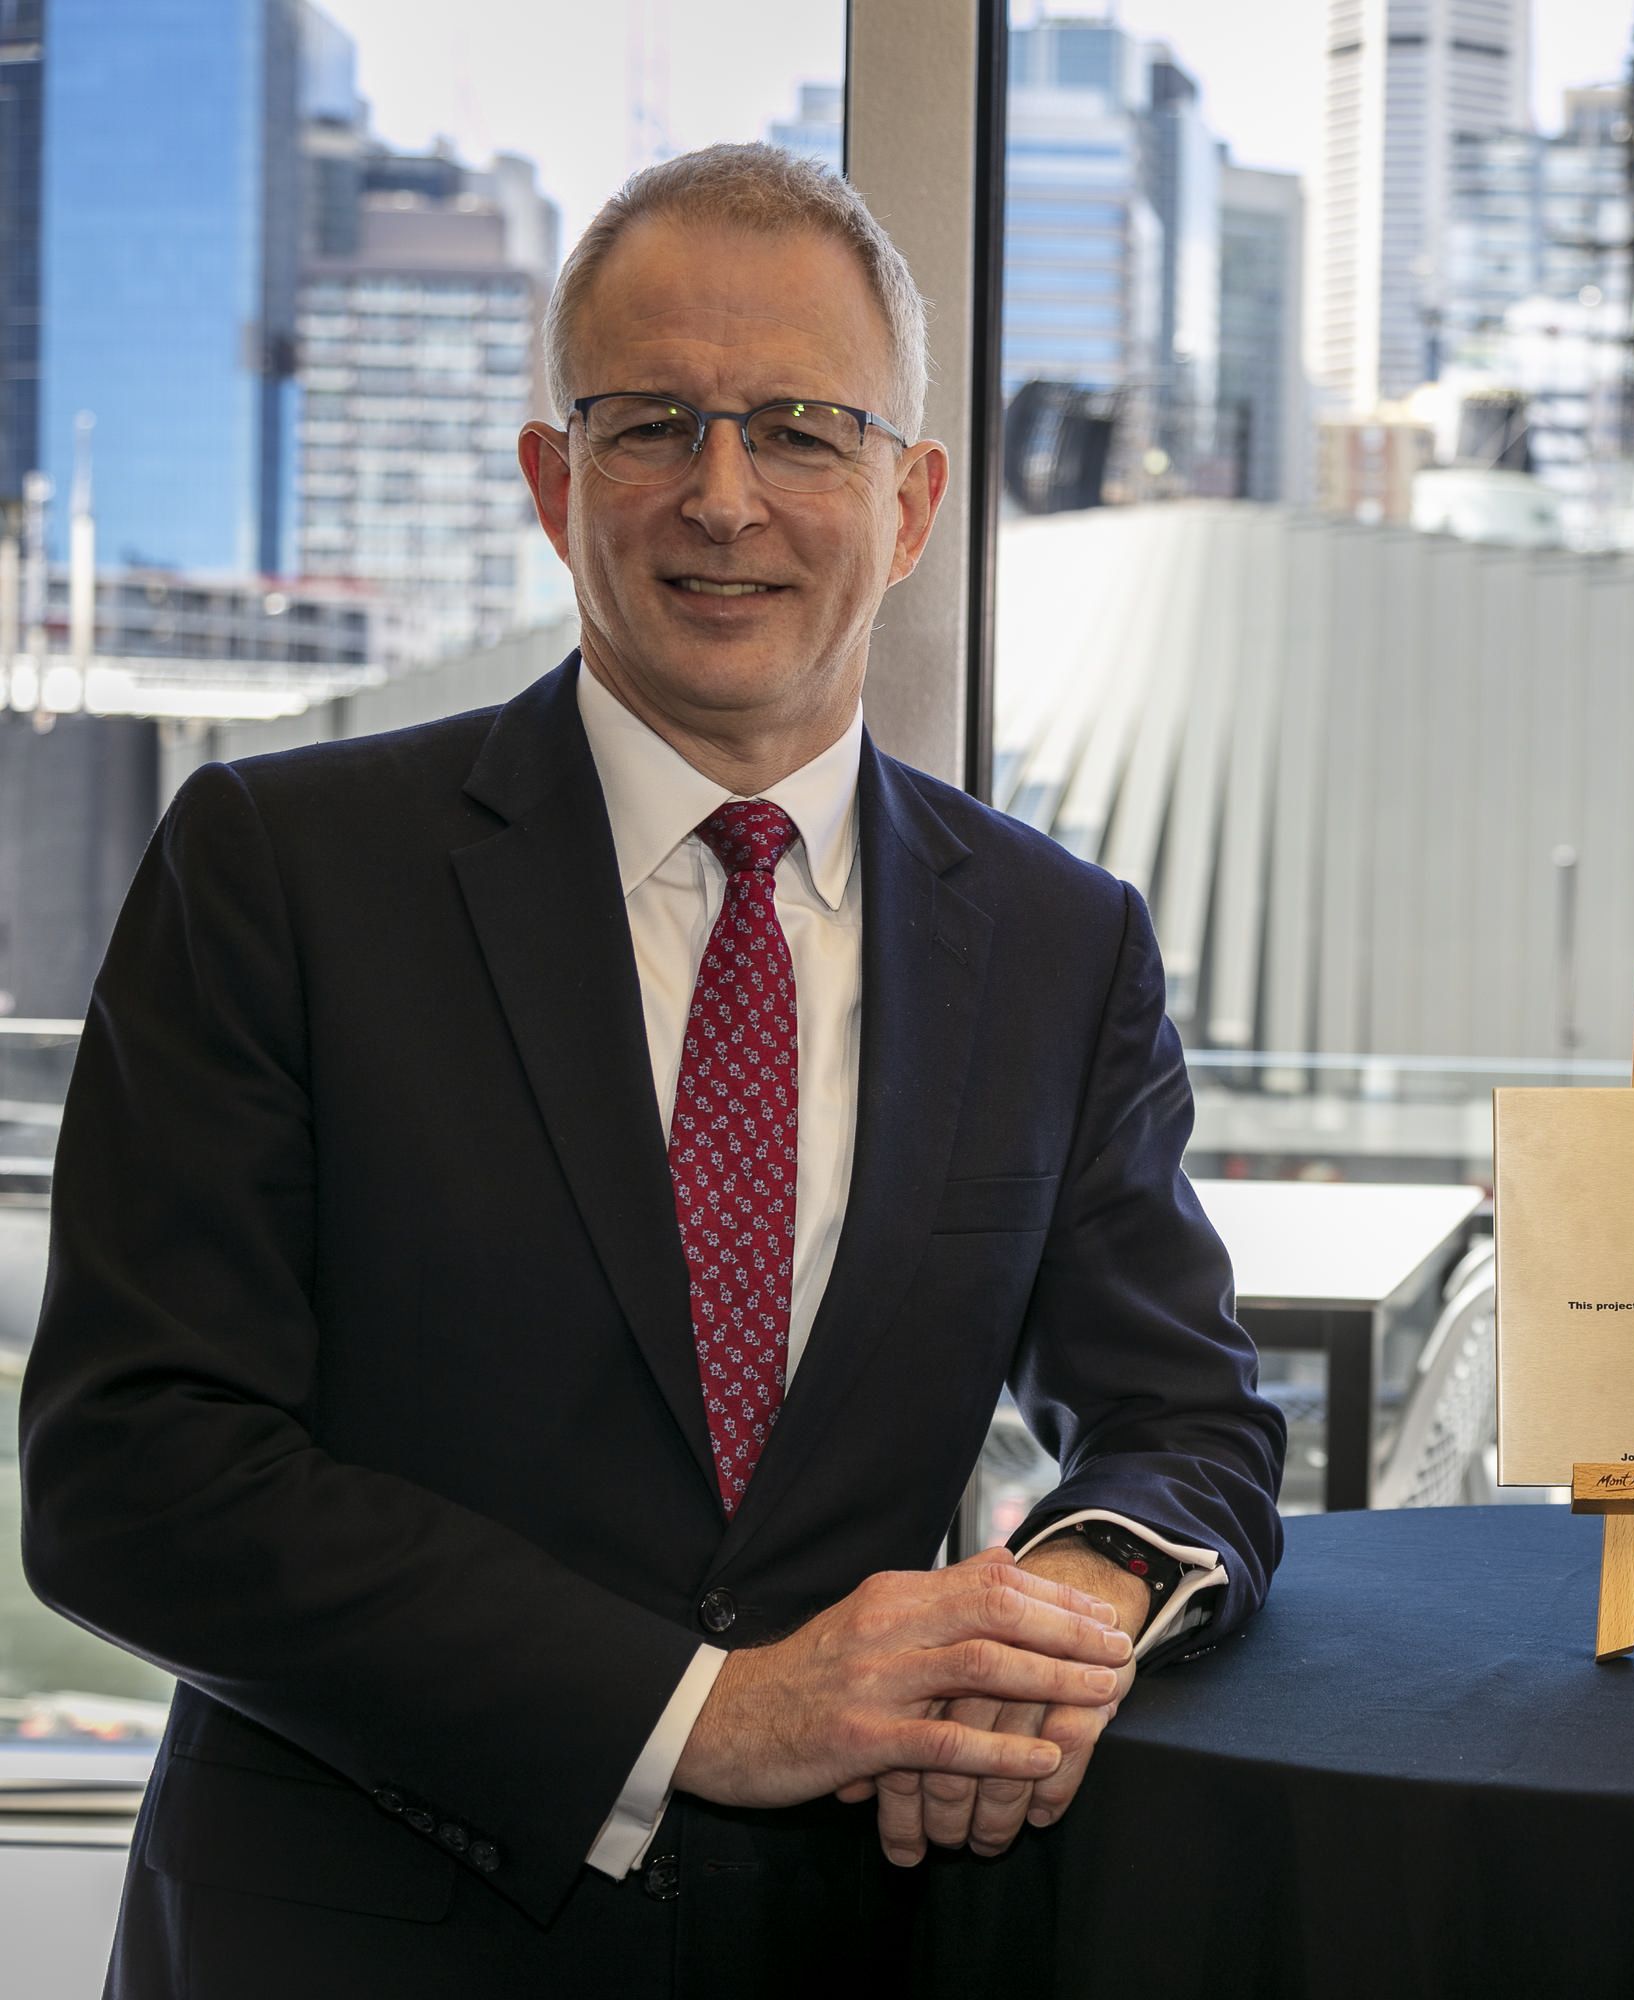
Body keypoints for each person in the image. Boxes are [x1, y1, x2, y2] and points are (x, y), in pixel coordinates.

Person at [19, 144, 1284, 1996]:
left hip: (866, 1946)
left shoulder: (1056, 939)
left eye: (798, 428)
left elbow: (1189, 1418)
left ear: (912, 499)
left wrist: (1064, 1604)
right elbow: (135, 1473)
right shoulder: (276, 872)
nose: (722, 498)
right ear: (552, 481)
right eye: (649, 426)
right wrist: (708, 1711)